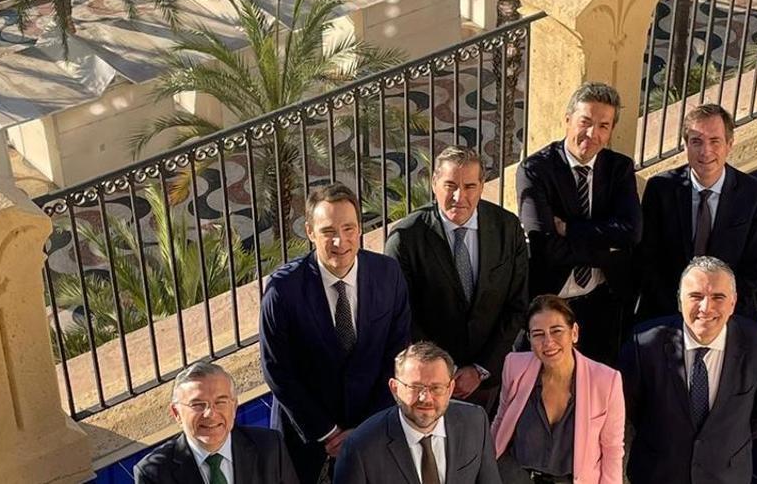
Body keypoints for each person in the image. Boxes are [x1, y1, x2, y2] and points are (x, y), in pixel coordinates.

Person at [260, 183, 411, 484]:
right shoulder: (282, 291)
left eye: (349, 228)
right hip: (307, 441)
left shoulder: (388, 274)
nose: (340, 241)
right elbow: (278, 370)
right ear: (310, 232)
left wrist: (364, 429)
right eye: (328, 231)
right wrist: (328, 433)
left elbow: (398, 355)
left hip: (372, 429)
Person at [385, 145, 529, 409]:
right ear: (434, 183)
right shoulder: (405, 238)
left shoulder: (507, 228)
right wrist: (443, 373)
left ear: (482, 185)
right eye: (450, 185)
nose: (459, 196)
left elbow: (517, 306)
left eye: (470, 186)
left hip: (490, 382)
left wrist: (481, 369)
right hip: (431, 389)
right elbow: (402, 316)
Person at [621, 257, 757, 484]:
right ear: (680, 301)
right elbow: (633, 407)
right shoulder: (644, 343)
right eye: (696, 296)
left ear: (733, 302)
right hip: (659, 473)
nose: (706, 308)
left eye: (718, 297)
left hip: (726, 475)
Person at [517, 81, 642, 366]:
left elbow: (631, 233)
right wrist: (607, 249)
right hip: (552, 304)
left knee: (597, 390)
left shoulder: (618, 168)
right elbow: (545, 246)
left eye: (603, 126)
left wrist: (570, 230)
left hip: (604, 302)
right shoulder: (536, 170)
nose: (592, 134)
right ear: (568, 120)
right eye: (585, 121)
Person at [637, 104, 757, 322]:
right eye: (696, 142)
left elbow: (753, 268)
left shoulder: (754, 194)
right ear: (685, 146)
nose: (705, 151)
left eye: (714, 141)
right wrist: (684, 309)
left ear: (729, 144)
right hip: (667, 311)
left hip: (729, 314)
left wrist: (715, 313)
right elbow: (648, 258)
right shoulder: (661, 189)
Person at [492, 295, 625, 483]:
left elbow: (612, 449)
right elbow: (501, 419)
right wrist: (486, 466)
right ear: (529, 338)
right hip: (514, 476)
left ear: (574, 332)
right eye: (538, 334)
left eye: (556, 331)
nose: (548, 342)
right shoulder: (514, 365)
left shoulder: (606, 381)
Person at [334, 342, 501, 484]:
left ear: (450, 389)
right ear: (395, 388)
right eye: (415, 387)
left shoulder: (475, 422)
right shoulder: (360, 449)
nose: (425, 398)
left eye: (436, 388)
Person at [135, 361, 299, 484]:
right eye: (198, 405)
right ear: (176, 413)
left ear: (234, 407)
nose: (210, 414)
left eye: (220, 402)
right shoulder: (153, 473)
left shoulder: (269, 446)